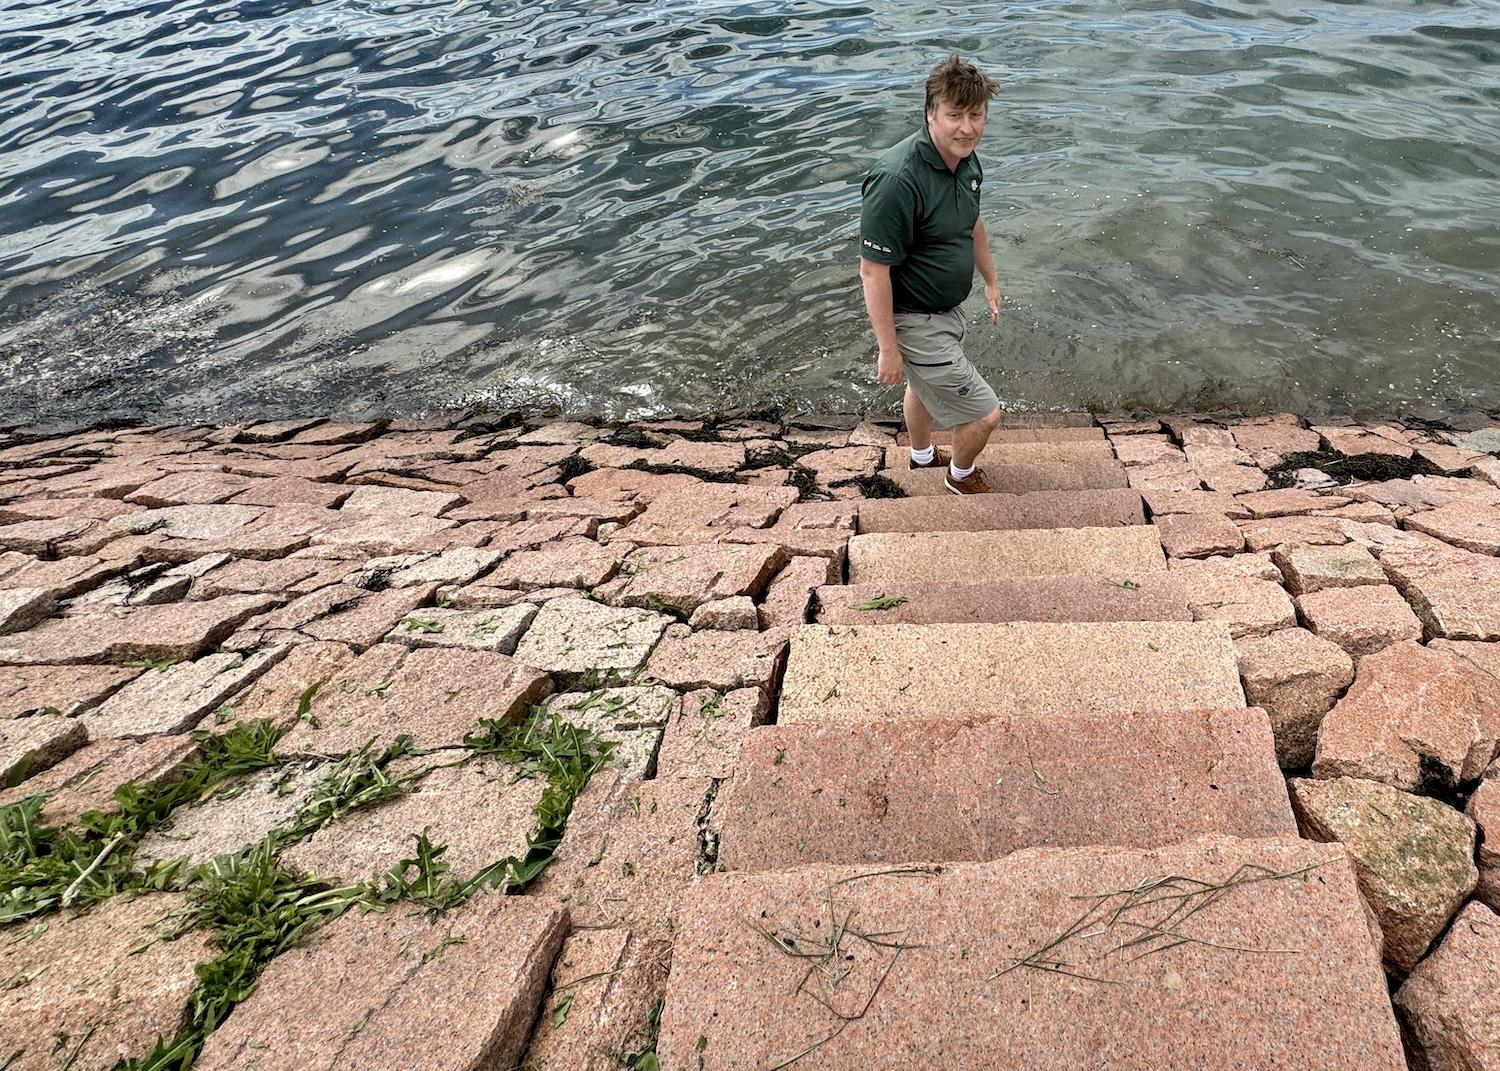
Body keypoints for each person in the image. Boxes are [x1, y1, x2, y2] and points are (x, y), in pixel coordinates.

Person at [858, 54, 1004, 495]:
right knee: (984, 413)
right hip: (914, 318)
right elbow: (872, 269)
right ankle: (960, 477)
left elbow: (972, 222)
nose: (967, 127)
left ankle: (921, 456)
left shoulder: (966, 161)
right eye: (954, 115)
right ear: (930, 114)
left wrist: (991, 280)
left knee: (923, 388)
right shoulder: (898, 179)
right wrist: (888, 348)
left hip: (947, 310)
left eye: (975, 115)